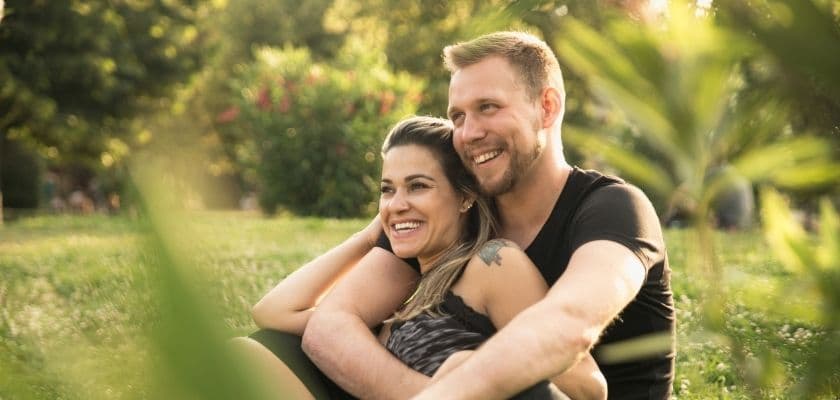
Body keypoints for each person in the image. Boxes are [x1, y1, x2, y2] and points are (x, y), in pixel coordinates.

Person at [299, 31, 675, 399]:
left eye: (488, 108)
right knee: (270, 350)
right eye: (458, 116)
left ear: (547, 107)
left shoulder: (614, 209)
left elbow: (569, 326)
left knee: (502, 378)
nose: (468, 133)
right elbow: (330, 326)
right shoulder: (459, 211)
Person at [236, 116, 607, 399]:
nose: (398, 204)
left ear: (466, 197)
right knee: (245, 353)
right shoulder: (404, 296)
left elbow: (588, 385)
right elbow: (275, 312)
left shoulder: (493, 264)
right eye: (387, 190)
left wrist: (471, 374)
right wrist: (369, 237)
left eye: (418, 186)